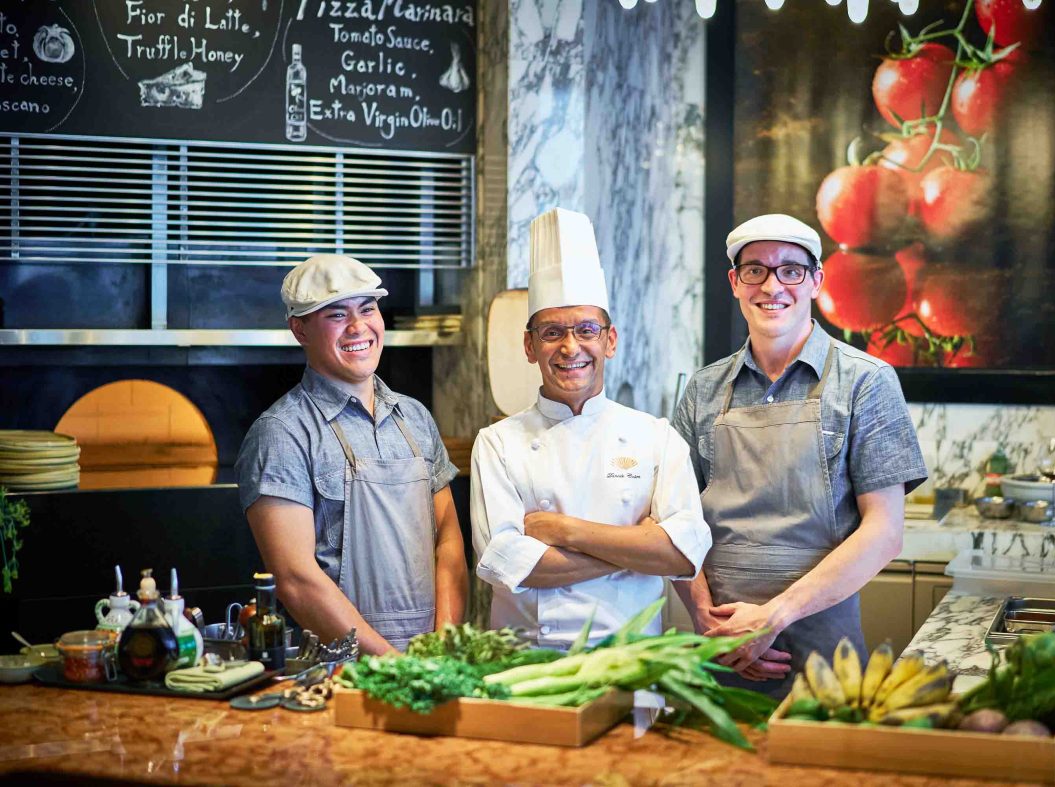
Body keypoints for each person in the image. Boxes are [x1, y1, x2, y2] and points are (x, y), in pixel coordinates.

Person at [671, 213, 927, 697]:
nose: (773, 286)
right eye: (755, 270)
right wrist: (706, 618)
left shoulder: (866, 381)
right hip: (720, 652)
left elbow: (885, 532)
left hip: (825, 658)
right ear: (735, 282)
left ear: (816, 282)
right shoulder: (703, 390)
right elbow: (674, 521)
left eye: (790, 270)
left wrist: (772, 616)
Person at [471, 208, 712, 649]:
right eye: (551, 333)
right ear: (529, 346)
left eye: (586, 330)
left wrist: (565, 531)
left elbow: (684, 551)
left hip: (633, 663)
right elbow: (506, 561)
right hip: (527, 666)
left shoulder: (655, 437)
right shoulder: (497, 443)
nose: (570, 348)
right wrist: (639, 551)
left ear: (610, 340)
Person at [235, 254, 467, 655]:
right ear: (299, 330)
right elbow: (296, 578)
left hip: (431, 659)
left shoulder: (414, 417)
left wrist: (444, 647)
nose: (359, 327)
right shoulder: (282, 432)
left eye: (368, 309)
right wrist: (393, 663)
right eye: (337, 315)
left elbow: (448, 538)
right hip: (340, 667)